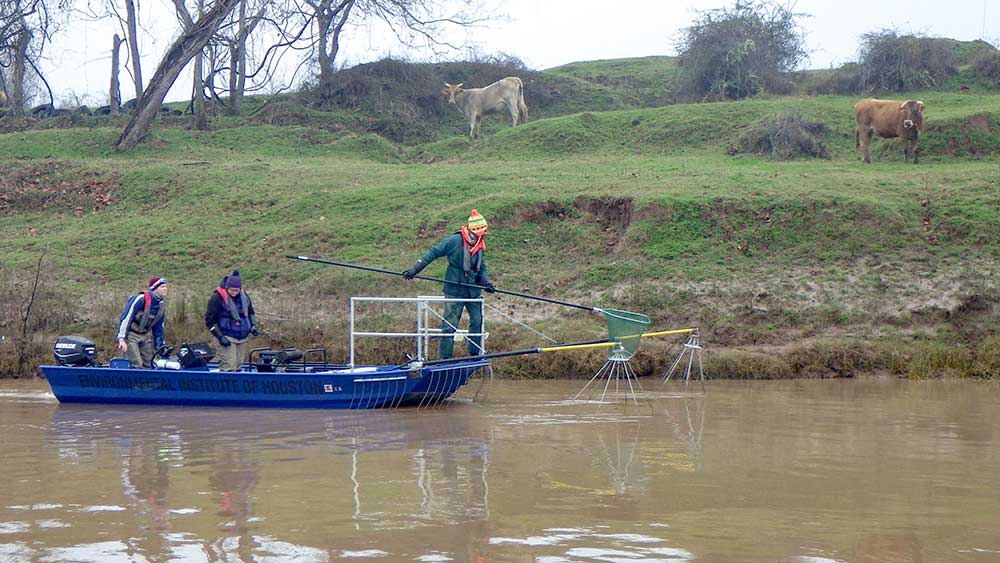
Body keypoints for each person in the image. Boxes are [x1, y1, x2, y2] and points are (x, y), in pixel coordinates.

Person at [403, 209, 496, 359]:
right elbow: (433, 252)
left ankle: (474, 353)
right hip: (454, 290)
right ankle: (445, 358)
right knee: (450, 324)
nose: (484, 233)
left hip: (473, 291)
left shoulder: (480, 245)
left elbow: (481, 268)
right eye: (482, 231)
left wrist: (486, 283)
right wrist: (415, 269)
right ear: (475, 230)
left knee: (477, 320)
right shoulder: (454, 241)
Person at [205, 270, 258, 371]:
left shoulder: (244, 296)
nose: (234, 293)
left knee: (238, 365)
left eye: (236, 290)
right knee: (229, 365)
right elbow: (210, 320)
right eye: (232, 290)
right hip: (226, 335)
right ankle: (224, 385)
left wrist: (253, 325)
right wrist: (220, 337)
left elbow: (250, 312)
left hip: (242, 336)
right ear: (227, 288)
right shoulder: (217, 298)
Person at [116, 277, 169, 368]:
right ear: (154, 288)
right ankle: (134, 381)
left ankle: (149, 382)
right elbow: (126, 317)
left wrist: (160, 348)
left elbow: (159, 329)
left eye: (165, 286)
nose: (165, 289)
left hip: (144, 336)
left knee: (149, 364)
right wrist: (122, 338)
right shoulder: (141, 299)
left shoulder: (161, 306)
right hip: (131, 335)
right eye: (162, 287)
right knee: (136, 364)